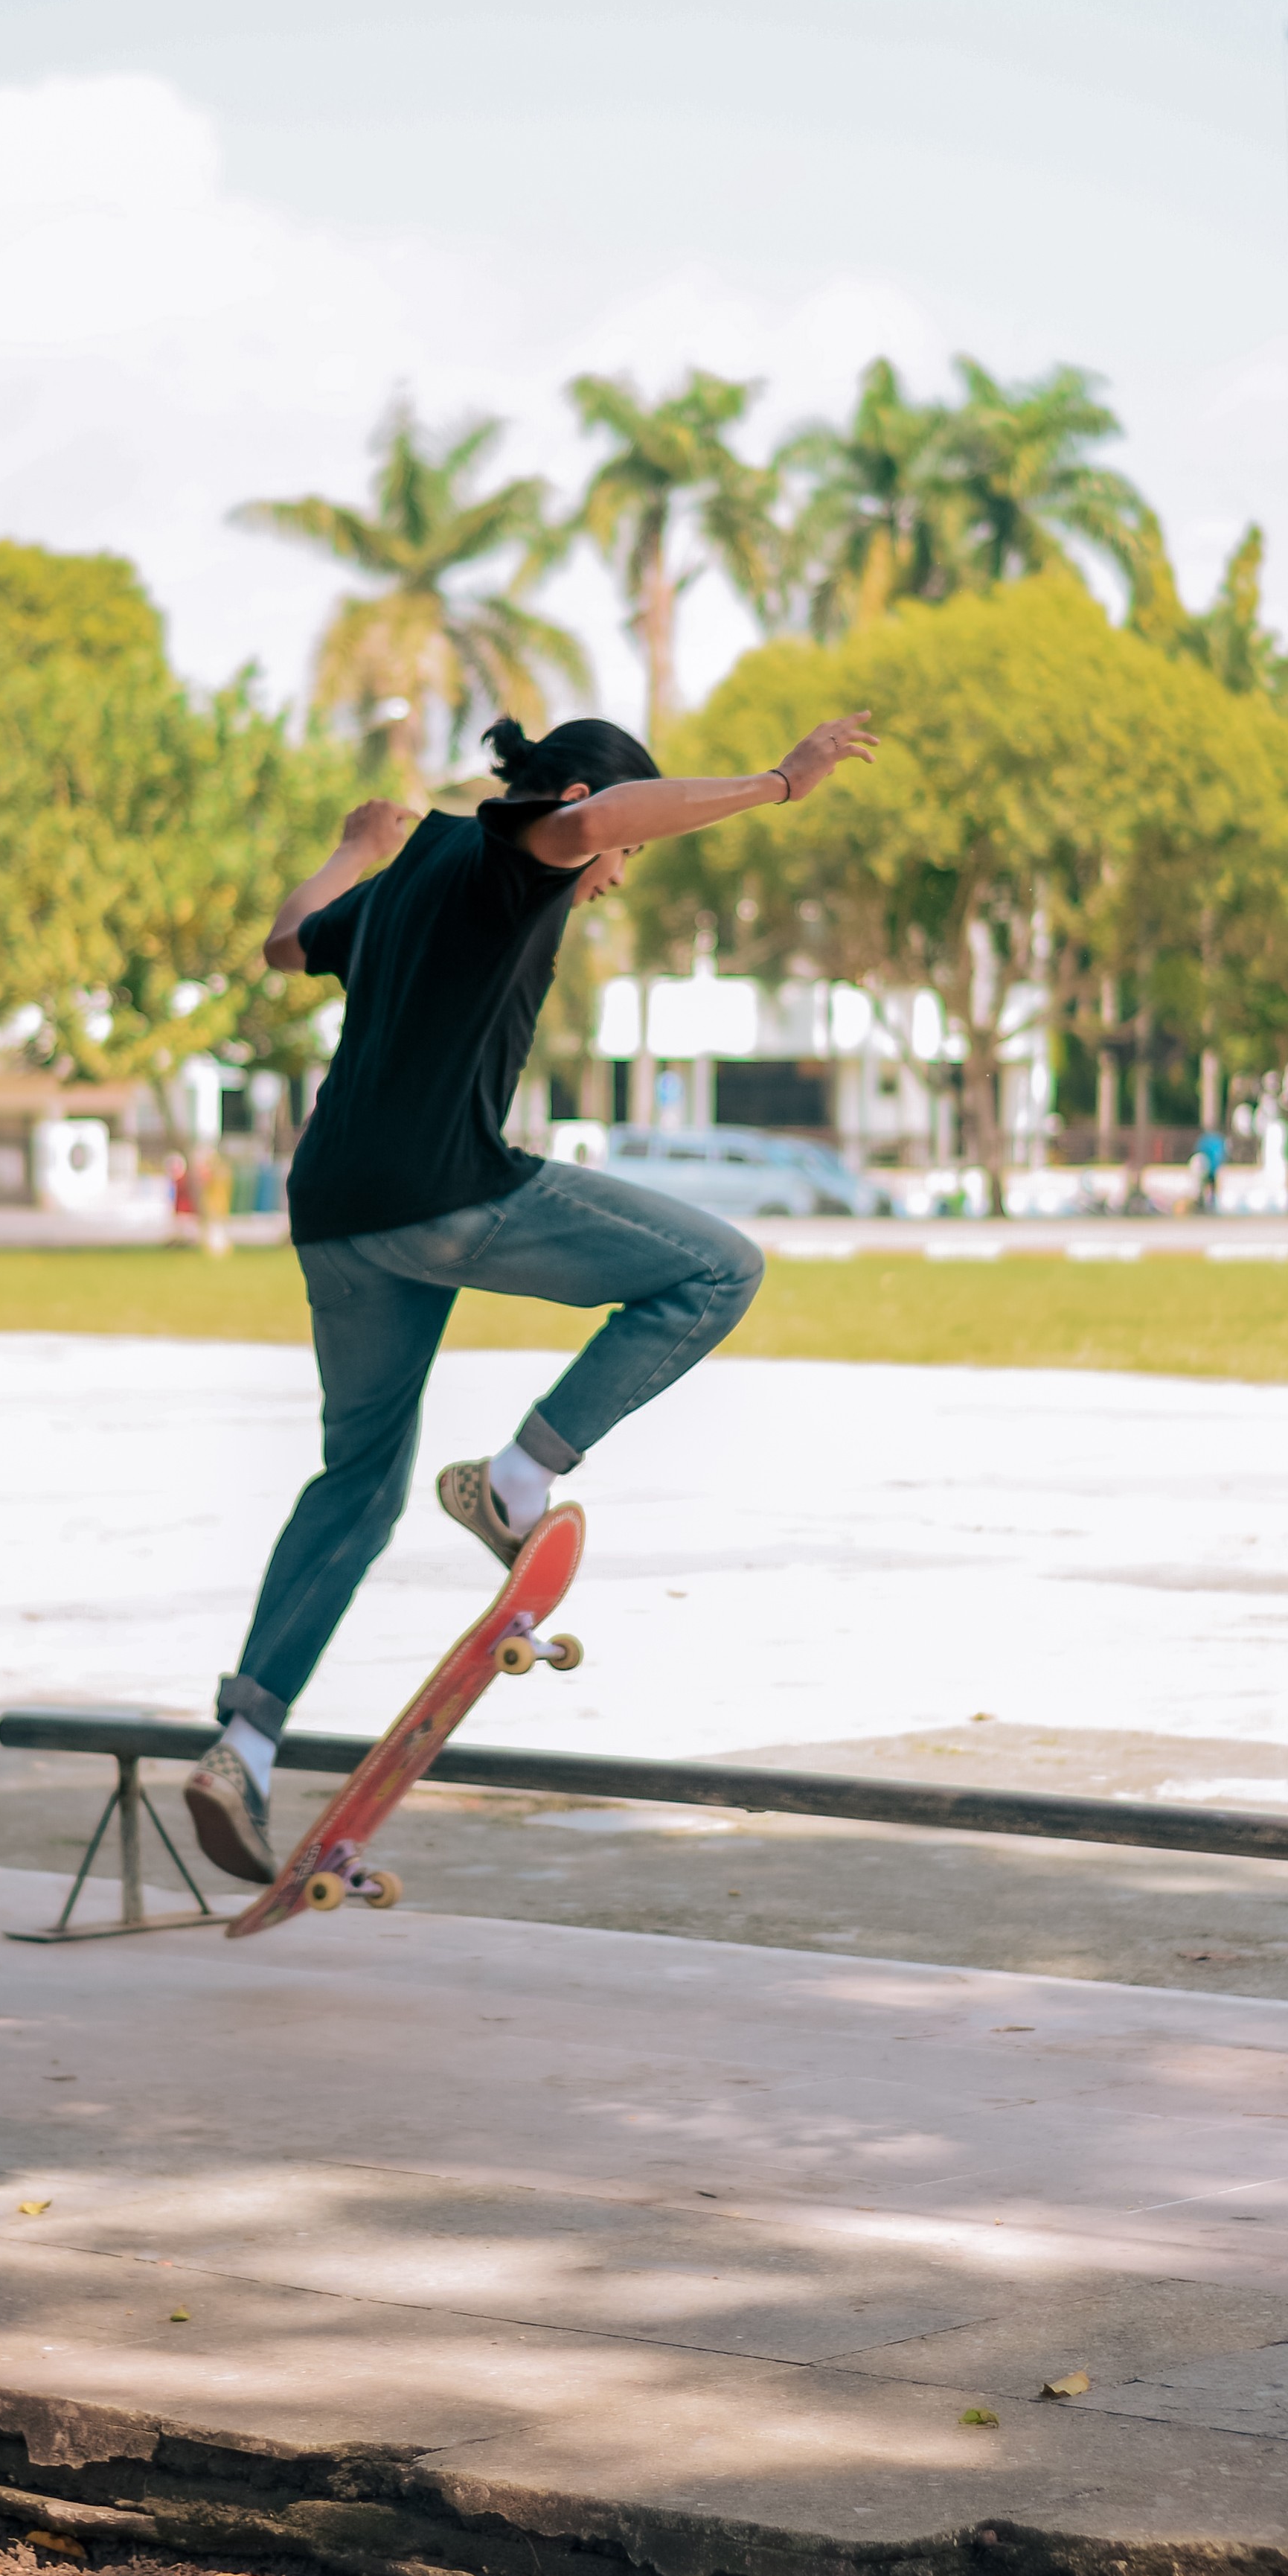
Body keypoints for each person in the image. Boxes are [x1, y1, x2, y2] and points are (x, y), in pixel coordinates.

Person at [183, 702, 879, 1882]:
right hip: (443, 1193)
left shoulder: (408, 870)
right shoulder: (517, 848)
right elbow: (593, 816)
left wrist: (354, 846)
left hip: (336, 1217)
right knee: (720, 1268)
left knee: (355, 1479)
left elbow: (286, 945)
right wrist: (778, 782)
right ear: (571, 816)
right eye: (623, 857)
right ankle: (516, 1477)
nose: (614, 873)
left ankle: (241, 1743)